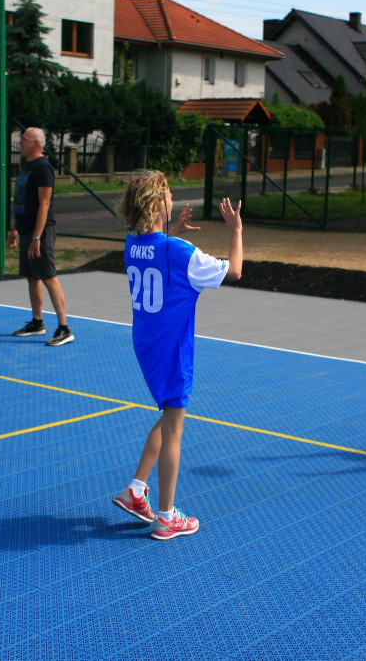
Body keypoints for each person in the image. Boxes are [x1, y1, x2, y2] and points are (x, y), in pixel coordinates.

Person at [111, 170, 243, 540]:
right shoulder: (180, 253)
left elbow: (156, 250)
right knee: (174, 430)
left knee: (168, 417)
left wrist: (174, 232)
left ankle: (137, 492)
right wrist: (236, 231)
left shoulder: (131, 243)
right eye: (168, 196)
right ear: (157, 204)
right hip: (171, 348)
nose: (173, 201)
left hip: (147, 344)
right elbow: (234, 271)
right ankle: (167, 517)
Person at [7, 127, 73, 346]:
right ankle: (37, 322)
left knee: (47, 276)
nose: (20, 143)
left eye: (23, 140)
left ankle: (64, 328)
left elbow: (44, 204)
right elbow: (24, 201)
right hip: (26, 231)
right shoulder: (27, 167)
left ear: (35, 143)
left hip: (41, 232)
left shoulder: (43, 168)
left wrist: (37, 237)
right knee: (32, 276)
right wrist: (15, 228)